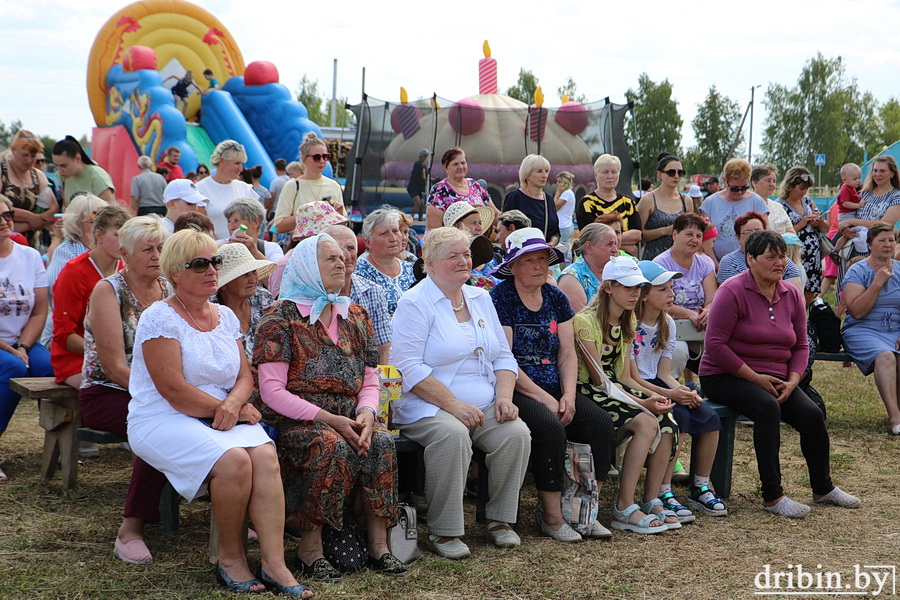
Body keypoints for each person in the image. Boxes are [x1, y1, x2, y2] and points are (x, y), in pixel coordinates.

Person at [127, 229, 310, 596]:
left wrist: (234, 404)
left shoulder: (224, 315)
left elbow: (245, 374)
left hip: (222, 411)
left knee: (265, 454)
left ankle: (275, 564)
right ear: (175, 273)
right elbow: (173, 390)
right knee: (234, 462)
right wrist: (232, 409)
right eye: (200, 264)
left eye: (216, 262)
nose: (212, 270)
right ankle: (231, 559)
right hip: (161, 416)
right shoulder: (158, 317)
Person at [253, 233, 404, 580]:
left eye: (343, 257)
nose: (342, 262)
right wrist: (331, 419)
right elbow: (272, 392)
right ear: (307, 265)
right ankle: (310, 548)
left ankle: (379, 546)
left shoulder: (355, 314)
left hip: (350, 416)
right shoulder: (280, 318)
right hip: (299, 420)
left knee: (380, 441)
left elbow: (370, 376)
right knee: (330, 444)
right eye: (330, 258)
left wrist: (367, 413)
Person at [391, 226, 531, 558]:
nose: (463, 260)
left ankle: (498, 520)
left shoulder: (480, 297)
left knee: (516, 433)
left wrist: (504, 398)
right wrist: (452, 404)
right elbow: (409, 369)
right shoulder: (414, 302)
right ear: (429, 262)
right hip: (425, 404)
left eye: (466, 254)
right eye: (453, 255)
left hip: (482, 399)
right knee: (453, 434)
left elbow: (503, 356)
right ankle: (444, 531)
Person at [699, 230, 860, 517]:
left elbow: (800, 344)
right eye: (770, 256)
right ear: (750, 259)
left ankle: (823, 488)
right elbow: (715, 346)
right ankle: (772, 496)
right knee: (766, 407)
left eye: (783, 255)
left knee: (812, 415)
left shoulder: (792, 294)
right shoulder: (732, 291)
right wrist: (755, 378)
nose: (780, 261)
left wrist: (794, 380)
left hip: (777, 378)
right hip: (726, 375)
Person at [490, 229, 615, 541]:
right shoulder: (500, 298)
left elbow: (568, 353)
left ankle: (587, 510)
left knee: (600, 423)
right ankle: (551, 515)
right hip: (518, 386)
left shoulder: (557, 297)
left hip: (557, 385)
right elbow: (505, 359)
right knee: (550, 427)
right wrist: (546, 398)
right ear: (513, 265)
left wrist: (569, 395)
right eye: (528, 260)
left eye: (542, 259)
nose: (538, 265)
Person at [78, 215, 170, 564]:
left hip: (162, 388)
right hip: (107, 392)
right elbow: (115, 367)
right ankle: (130, 529)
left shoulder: (170, 287)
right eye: (147, 248)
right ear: (125, 253)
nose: (156, 255)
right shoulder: (108, 290)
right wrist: (166, 394)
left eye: (160, 247)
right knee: (156, 426)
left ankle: (226, 507)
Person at [573, 256, 679, 534]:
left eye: (638, 287)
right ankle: (624, 505)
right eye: (628, 287)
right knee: (647, 420)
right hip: (588, 391)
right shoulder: (585, 322)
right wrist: (643, 402)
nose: (635, 293)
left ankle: (651, 498)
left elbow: (625, 376)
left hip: (614, 389)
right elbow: (599, 380)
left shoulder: (627, 320)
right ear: (608, 287)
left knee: (667, 419)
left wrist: (658, 396)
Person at [631, 261, 726, 520]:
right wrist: (671, 395)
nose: (671, 294)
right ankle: (663, 489)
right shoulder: (631, 324)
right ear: (644, 294)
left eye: (671, 288)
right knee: (679, 418)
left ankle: (700, 486)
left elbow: (664, 373)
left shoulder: (668, 323)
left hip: (659, 383)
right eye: (663, 289)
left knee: (708, 417)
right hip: (636, 386)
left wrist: (682, 390)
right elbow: (633, 376)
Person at [0, 194, 54, 482]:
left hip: (24, 339)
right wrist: (13, 351)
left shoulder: (30, 255)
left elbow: (39, 311)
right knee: (14, 367)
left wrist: (22, 345)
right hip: (3, 346)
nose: (3, 221)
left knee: (51, 367)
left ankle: (58, 446)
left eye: (7, 214)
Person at [51, 205, 129, 389]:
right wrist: (109, 353)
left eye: (127, 236)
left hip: (123, 356)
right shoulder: (74, 271)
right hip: (77, 359)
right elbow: (64, 334)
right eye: (117, 235)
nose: (123, 243)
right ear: (99, 236)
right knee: (116, 391)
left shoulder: (126, 270)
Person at [841, 223, 900, 436]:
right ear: (869, 245)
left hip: (894, 329)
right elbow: (856, 311)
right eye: (881, 240)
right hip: (863, 329)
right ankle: (895, 418)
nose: (887, 244)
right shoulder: (858, 270)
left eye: (891, 240)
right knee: (886, 357)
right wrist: (876, 284)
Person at [323, 224, 393, 365]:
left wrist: (379, 383)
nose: (347, 256)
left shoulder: (373, 291)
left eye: (351, 248)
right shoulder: (312, 293)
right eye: (339, 249)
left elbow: (383, 348)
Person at [212, 243, 275, 360]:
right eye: (244, 275)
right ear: (224, 284)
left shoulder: (263, 298)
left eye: (254, 272)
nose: (253, 279)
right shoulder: (212, 310)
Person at [776, 166, 828, 304]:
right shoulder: (779, 206)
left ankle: (803, 319)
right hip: (793, 256)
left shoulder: (807, 201)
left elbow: (826, 228)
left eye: (806, 189)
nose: (803, 192)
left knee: (809, 290)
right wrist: (802, 223)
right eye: (800, 188)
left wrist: (819, 221)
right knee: (792, 290)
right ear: (790, 185)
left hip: (813, 256)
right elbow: (779, 234)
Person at [274, 133, 344, 235]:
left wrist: (338, 213)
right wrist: (308, 213)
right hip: (300, 245)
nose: (322, 161)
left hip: (328, 245)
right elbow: (279, 226)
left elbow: (341, 228)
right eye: (316, 157)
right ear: (304, 160)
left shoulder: (334, 186)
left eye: (325, 156)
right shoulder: (293, 185)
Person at [700, 158, 769, 260]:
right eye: (735, 188)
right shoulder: (710, 203)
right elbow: (705, 239)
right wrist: (716, 265)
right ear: (724, 181)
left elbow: (765, 235)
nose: (740, 192)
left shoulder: (757, 201)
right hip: (717, 262)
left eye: (744, 187)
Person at [716, 212, 804, 291]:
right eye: (748, 232)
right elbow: (731, 293)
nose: (754, 235)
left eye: (758, 231)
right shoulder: (729, 261)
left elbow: (795, 295)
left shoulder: (783, 260)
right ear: (738, 237)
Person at [354, 208, 416, 316]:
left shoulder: (411, 268)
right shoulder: (359, 273)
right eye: (384, 234)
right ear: (368, 242)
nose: (393, 238)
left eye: (395, 231)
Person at [576, 154, 641, 256]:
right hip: (597, 259)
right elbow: (591, 237)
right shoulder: (587, 203)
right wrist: (624, 246)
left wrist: (610, 242)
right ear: (596, 175)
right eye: (605, 172)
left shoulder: (628, 202)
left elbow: (637, 234)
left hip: (626, 260)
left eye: (614, 172)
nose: (610, 176)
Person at [1, 129, 55, 245]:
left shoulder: (38, 176)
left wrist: (34, 221)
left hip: (31, 245)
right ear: (13, 150)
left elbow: (53, 209)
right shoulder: (2, 172)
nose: (29, 160)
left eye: (33, 156)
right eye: (24, 155)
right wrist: (31, 219)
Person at [425, 147, 498, 231]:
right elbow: (434, 228)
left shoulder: (474, 185)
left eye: (463, 163)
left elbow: (495, 214)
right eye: (456, 164)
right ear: (445, 167)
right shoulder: (439, 190)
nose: (460, 167)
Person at [637, 153, 693, 261]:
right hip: (653, 260)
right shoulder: (648, 200)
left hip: (679, 260)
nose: (676, 176)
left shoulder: (686, 200)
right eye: (671, 172)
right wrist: (664, 231)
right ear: (660, 174)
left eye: (680, 172)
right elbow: (638, 234)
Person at [196, 141, 254, 239]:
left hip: (243, 248)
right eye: (237, 163)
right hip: (213, 248)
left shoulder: (245, 188)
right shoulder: (201, 188)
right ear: (222, 161)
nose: (241, 169)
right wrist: (222, 246)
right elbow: (201, 227)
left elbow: (253, 224)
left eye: (242, 164)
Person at [557, 223, 619, 313]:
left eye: (615, 244)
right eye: (609, 244)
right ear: (589, 247)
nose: (615, 250)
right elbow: (579, 322)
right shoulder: (571, 277)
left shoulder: (616, 271)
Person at [501, 154, 559, 245]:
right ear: (527, 174)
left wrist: (552, 242)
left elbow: (555, 231)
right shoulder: (515, 197)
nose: (544, 175)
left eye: (546, 171)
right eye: (539, 171)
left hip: (545, 252)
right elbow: (505, 228)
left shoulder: (548, 199)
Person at [51, 136, 115, 206]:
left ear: (78, 158)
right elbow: (65, 206)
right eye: (56, 166)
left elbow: (108, 211)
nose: (60, 171)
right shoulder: (62, 177)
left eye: (63, 166)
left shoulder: (98, 177)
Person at [220, 197, 284, 262]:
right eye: (228, 221)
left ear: (256, 222)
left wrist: (254, 252)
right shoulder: (219, 246)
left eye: (236, 221)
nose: (231, 227)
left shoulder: (271, 249)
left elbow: (276, 271)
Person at [829, 163, 866, 259]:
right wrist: (858, 205)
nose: (858, 181)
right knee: (847, 234)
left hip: (849, 214)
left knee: (849, 234)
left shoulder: (851, 188)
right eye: (855, 179)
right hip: (847, 215)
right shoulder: (845, 189)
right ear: (844, 179)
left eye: (859, 178)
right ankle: (835, 250)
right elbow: (845, 203)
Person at [750, 165, 795, 235]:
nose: (772, 185)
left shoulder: (778, 208)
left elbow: (792, 232)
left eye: (774, 181)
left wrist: (781, 238)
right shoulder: (746, 205)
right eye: (768, 180)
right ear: (754, 183)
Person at [554, 171, 576, 253]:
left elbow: (555, 207)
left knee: (561, 249)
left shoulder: (566, 194)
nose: (557, 184)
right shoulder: (569, 193)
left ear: (565, 183)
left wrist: (558, 192)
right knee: (566, 248)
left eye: (559, 181)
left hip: (563, 226)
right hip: (568, 224)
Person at [408, 148, 429, 221]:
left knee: (422, 205)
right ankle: (410, 218)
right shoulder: (418, 164)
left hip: (419, 188)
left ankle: (420, 219)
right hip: (413, 187)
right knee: (417, 203)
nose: (426, 158)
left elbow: (426, 177)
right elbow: (422, 165)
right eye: (425, 156)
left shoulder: (425, 167)